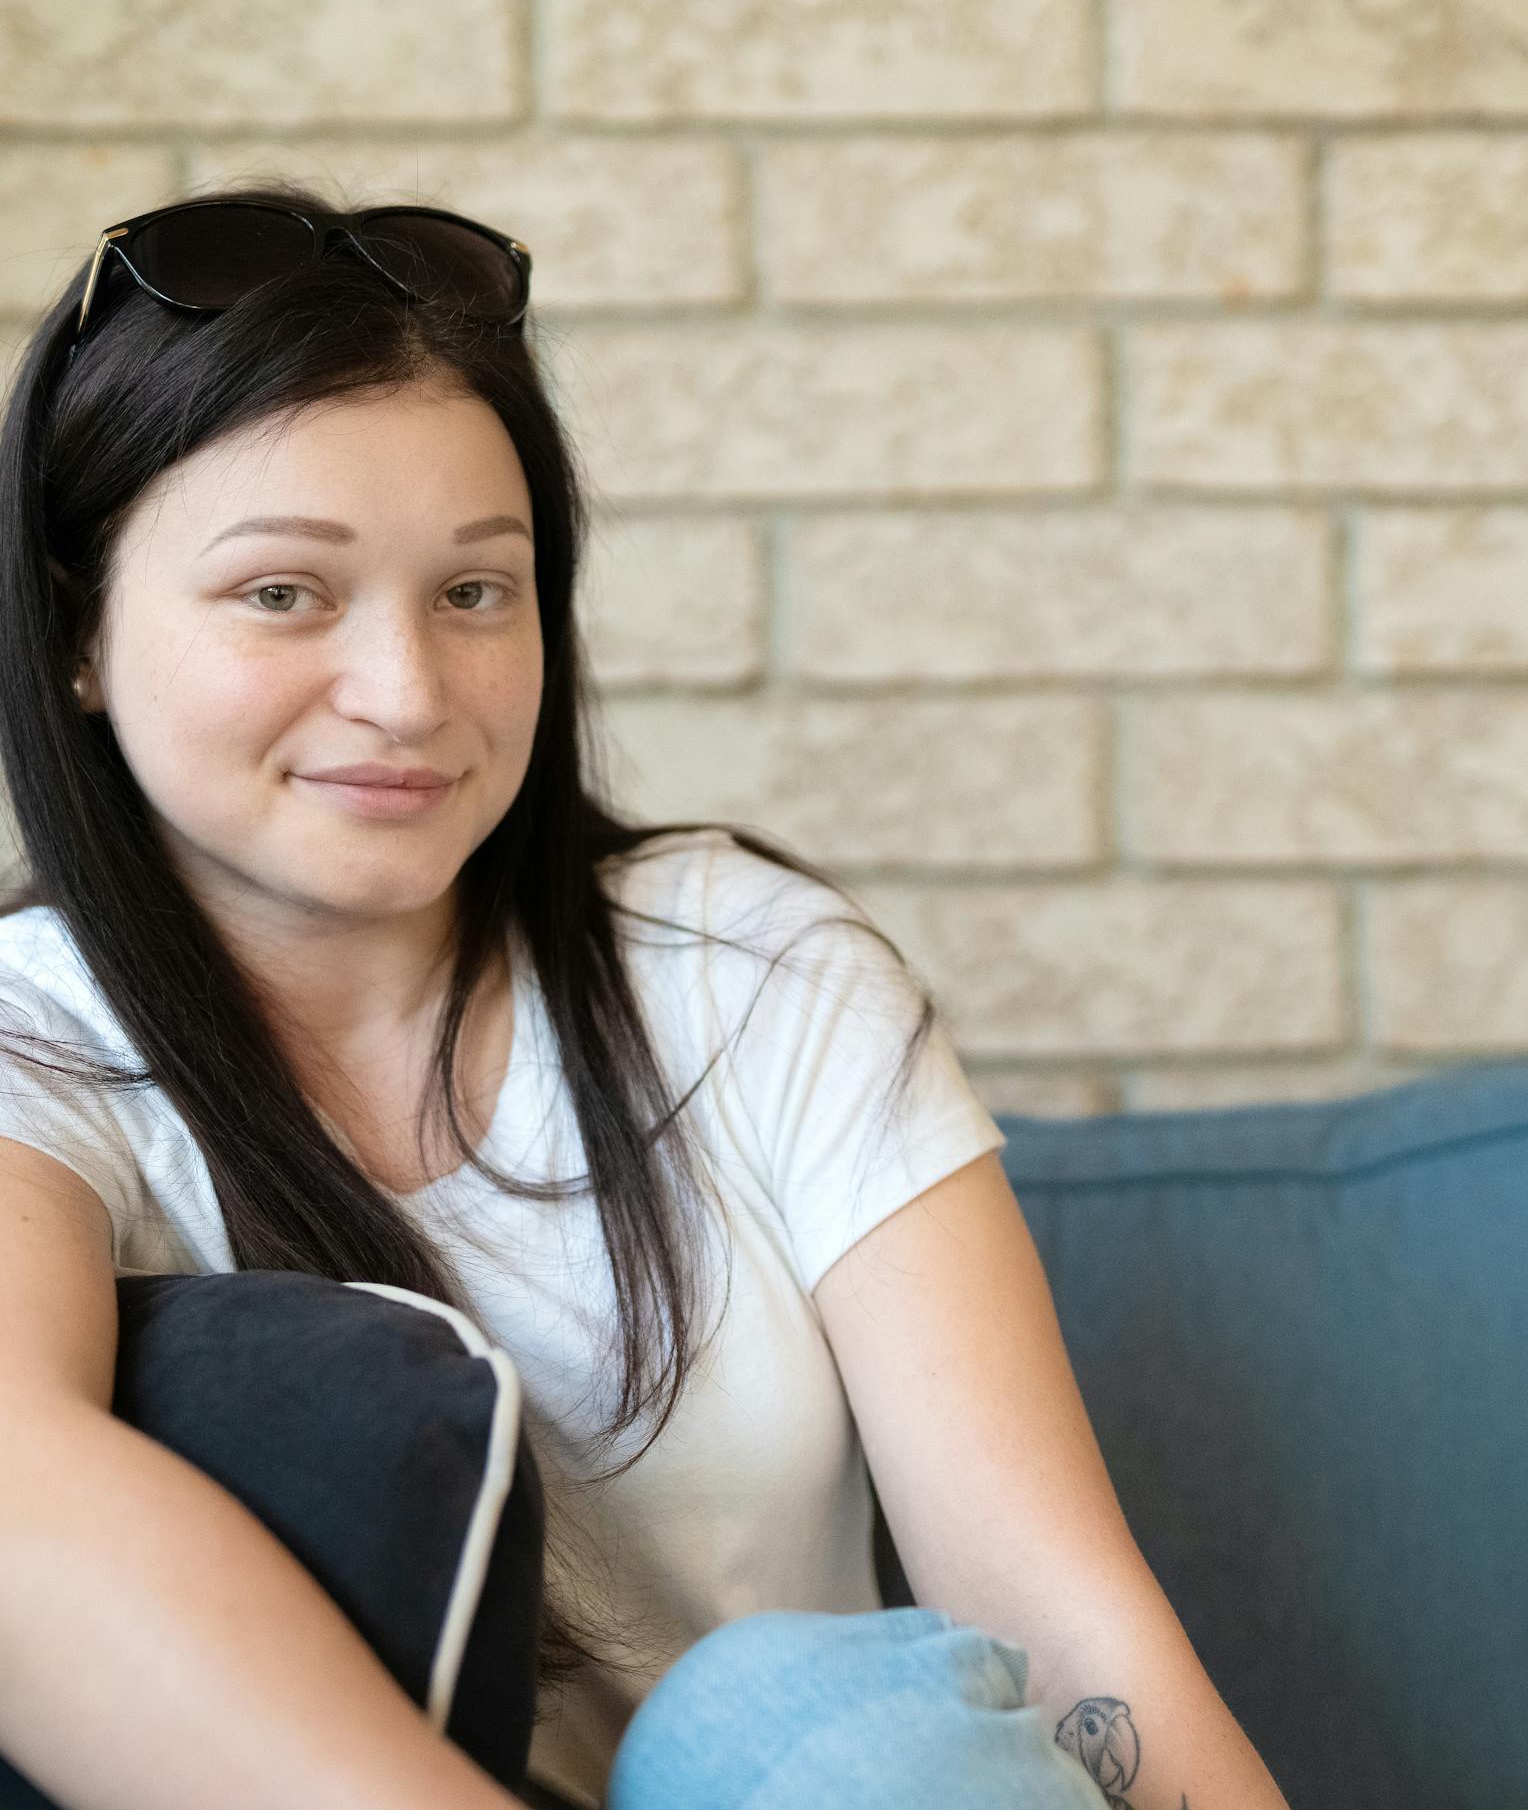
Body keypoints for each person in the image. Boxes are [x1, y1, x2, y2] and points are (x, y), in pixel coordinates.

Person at [0, 183, 1291, 1810]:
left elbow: (1059, 1616)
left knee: (822, 1725)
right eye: (286, 592)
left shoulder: (752, 976)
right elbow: (12, 1500)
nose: (407, 693)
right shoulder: (30, 1048)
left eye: (476, 590)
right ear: (75, 635)